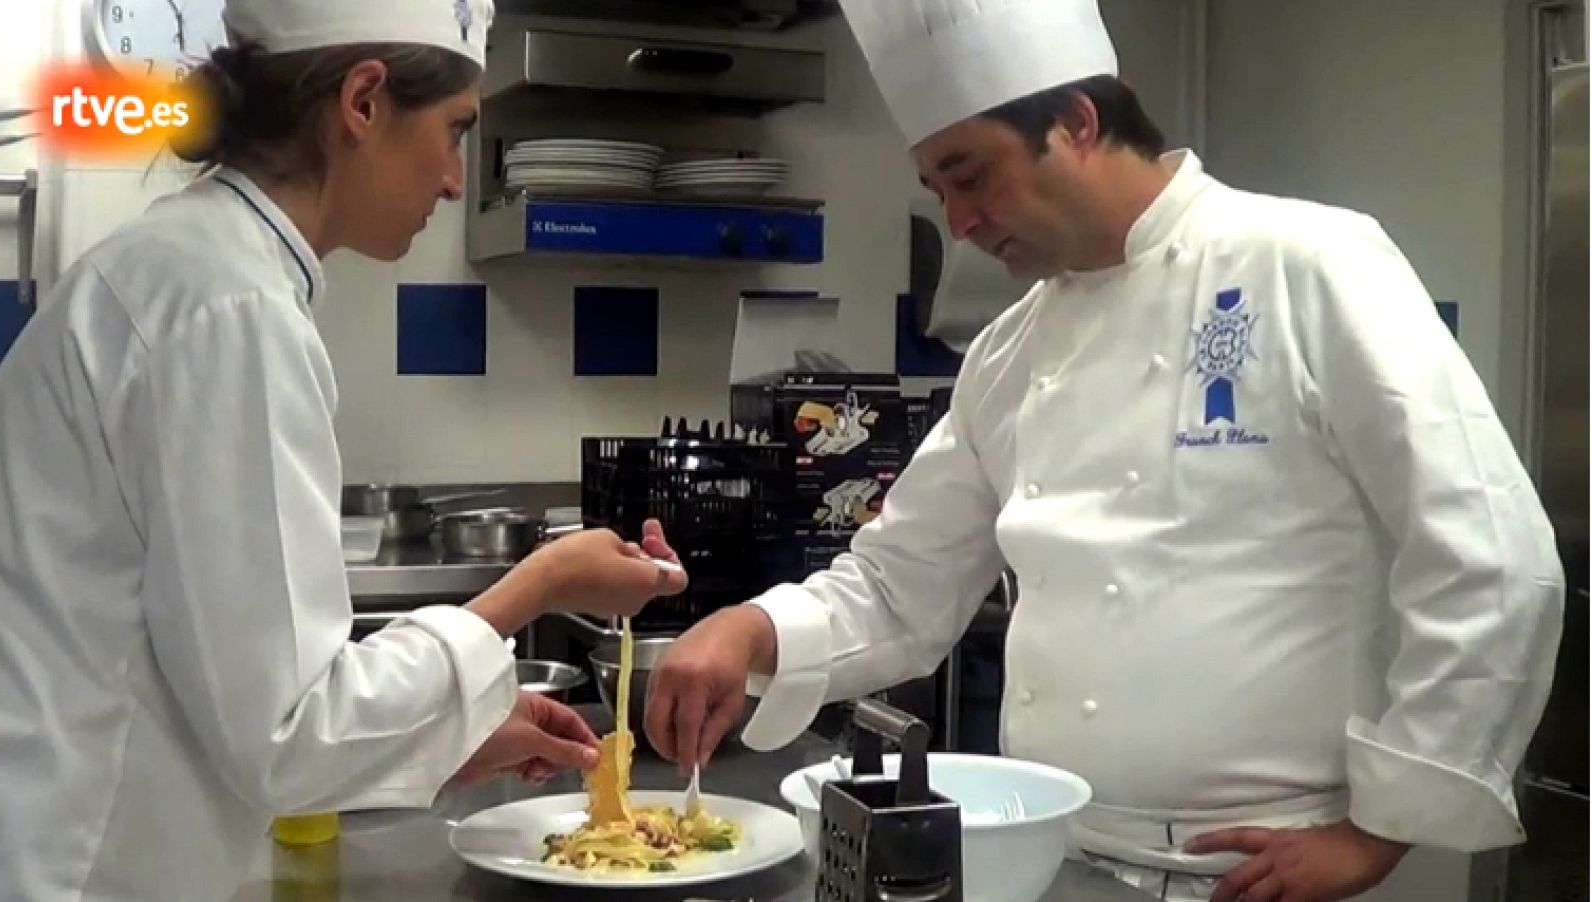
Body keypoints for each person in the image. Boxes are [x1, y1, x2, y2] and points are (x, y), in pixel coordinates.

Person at [644, 1, 1566, 900]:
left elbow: (1489, 555)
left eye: (971, 175)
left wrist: (1379, 829)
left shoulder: (1309, 263)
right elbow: (901, 585)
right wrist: (752, 630)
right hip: (1055, 854)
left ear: (1077, 122)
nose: (958, 221)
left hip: (1265, 870)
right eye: (939, 191)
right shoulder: (1009, 351)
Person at [0, 1, 688, 899]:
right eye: (454, 130)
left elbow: (211, 688)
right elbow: (291, 734)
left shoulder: (189, 271)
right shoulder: (230, 311)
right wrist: (544, 584)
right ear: (363, 101)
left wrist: (446, 735)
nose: (451, 178)